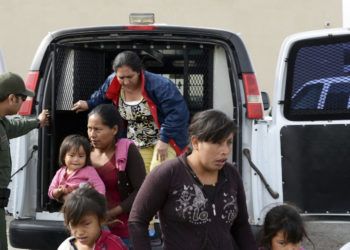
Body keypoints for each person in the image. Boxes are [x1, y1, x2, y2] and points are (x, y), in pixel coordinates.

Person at [128, 109, 257, 250]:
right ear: (195, 142)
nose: (225, 150)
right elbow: (137, 221)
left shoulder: (231, 174)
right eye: (218, 143)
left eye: (228, 143)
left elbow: (241, 226)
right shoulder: (168, 174)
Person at [73, 50, 189, 173]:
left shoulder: (160, 85)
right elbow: (102, 95)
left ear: (139, 72)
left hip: (165, 140)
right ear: (115, 74)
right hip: (138, 143)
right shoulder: (112, 81)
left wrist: (164, 140)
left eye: (130, 77)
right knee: (141, 179)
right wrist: (88, 103)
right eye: (121, 78)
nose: (126, 82)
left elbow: (178, 113)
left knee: (158, 175)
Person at [0, 72, 49, 250]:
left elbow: (14, 127)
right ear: (12, 98)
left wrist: (38, 121)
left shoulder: (2, 123)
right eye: (22, 98)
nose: (24, 102)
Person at [87, 104, 146, 246]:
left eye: (98, 130)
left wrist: (111, 213)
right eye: (89, 129)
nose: (92, 134)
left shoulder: (127, 151)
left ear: (114, 130)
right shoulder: (83, 151)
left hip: (123, 231)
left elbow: (141, 191)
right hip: (90, 231)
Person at [58, 187, 127, 250]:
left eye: (86, 224)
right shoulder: (66, 247)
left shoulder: (114, 245)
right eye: (73, 225)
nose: (80, 232)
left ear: (101, 219)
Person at [48, 134, 105, 202]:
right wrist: (59, 191)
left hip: (85, 205)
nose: (76, 159)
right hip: (70, 208)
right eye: (71, 155)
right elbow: (51, 192)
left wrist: (99, 201)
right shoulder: (60, 172)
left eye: (81, 156)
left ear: (86, 157)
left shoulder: (89, 170)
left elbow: (99, 186)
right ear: (64, 156)